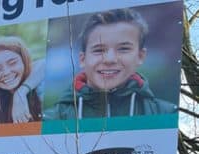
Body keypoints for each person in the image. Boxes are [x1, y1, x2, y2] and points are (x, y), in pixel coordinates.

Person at [44, 8, 177, 120]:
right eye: (99, 50)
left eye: (123, 49)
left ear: (140, 56)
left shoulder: (167, 113)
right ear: (82, 59)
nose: (110, 59)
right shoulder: (51, 119)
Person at [0, 36, 44, 123]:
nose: (6, 72)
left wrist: (21, 92)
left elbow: (43, 63)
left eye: (12, 63)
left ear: (24, 61)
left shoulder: (40, 89)